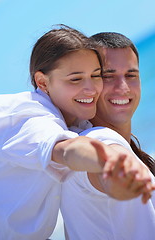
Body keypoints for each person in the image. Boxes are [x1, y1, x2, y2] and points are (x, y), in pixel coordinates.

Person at [0, 25, 150, 240]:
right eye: (76, 79)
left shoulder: (76, 122)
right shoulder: (30, 117)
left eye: (96, 76)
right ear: (42, 82)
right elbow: (67, 149)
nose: (91, 89)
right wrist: (110, 163)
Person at [61, 32, 155, 240]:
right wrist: (120, 170)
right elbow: (106, 156)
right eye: (107, 76)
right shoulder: (97, 141)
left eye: (131, 75)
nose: (123, 87)